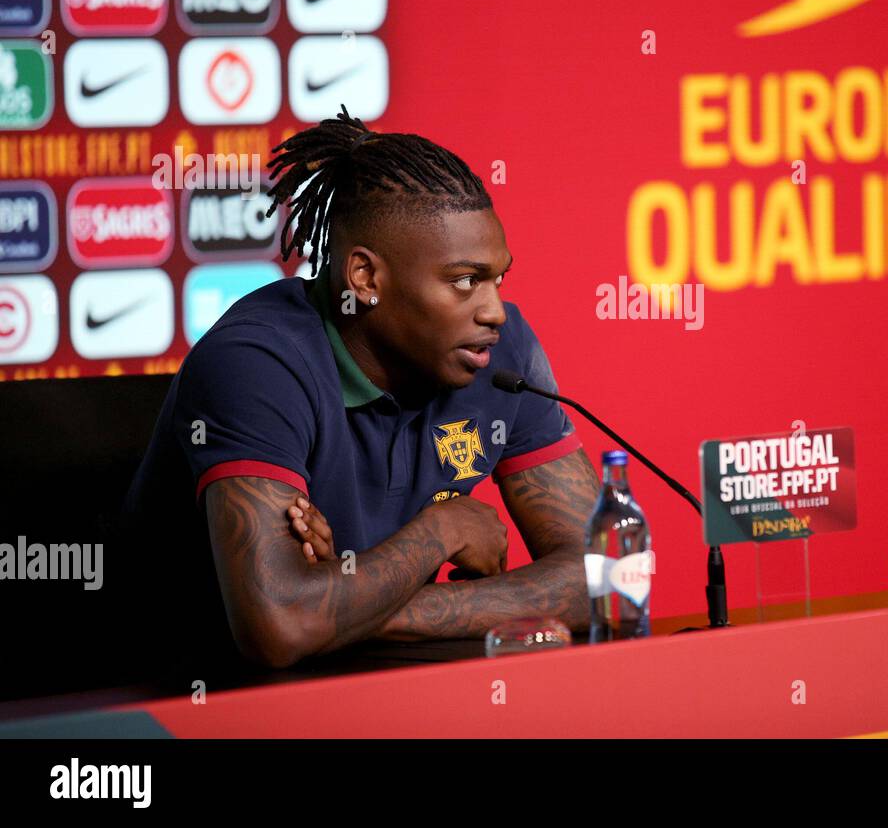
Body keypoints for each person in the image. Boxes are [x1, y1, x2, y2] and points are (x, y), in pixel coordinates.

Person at [120, 106, 599, 678]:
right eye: (464, 281)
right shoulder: (256, 362)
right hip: (203, 707)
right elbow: (281, 628)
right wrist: (442, 530)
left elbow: (606, 577)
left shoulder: (499, 351)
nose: (494, 309)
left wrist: (344, 603)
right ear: (365, 279)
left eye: (499, 278)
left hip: (388, 682)